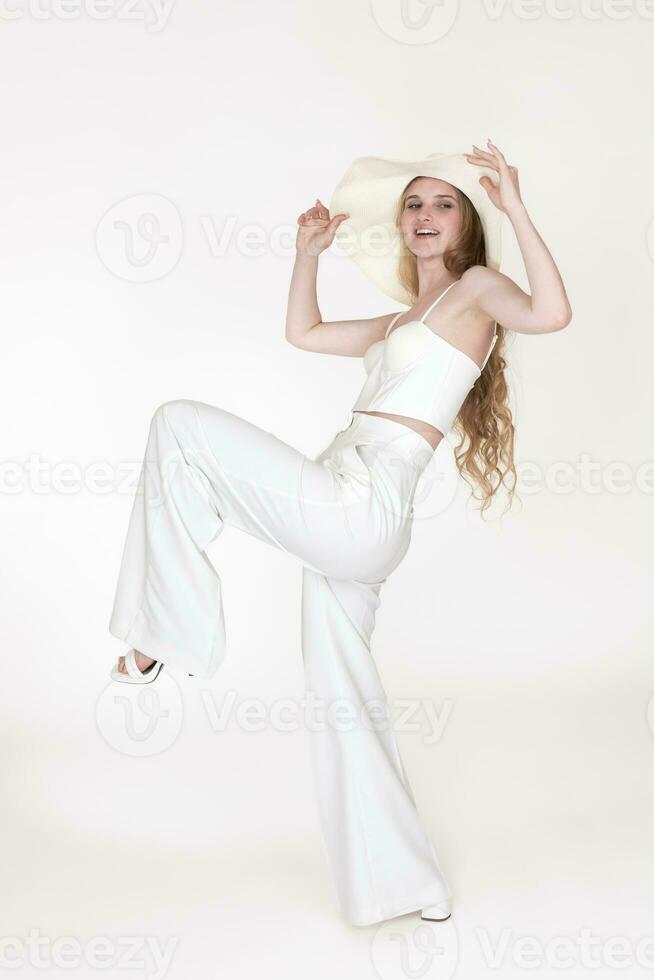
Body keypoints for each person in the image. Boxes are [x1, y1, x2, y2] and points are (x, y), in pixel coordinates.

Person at [106, 141, 572, 927]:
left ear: (467, 225)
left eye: (443, 204)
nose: (424, 216)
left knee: (177, 425)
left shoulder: (477, 292)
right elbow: (306, 332)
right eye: (414, 205)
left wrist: (518, 207)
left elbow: (552, 313)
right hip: (349, 501)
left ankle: (160, 636)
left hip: (362, 501)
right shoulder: (405, 319)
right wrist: (305, 254)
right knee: (345, 705)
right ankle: (410, 888)